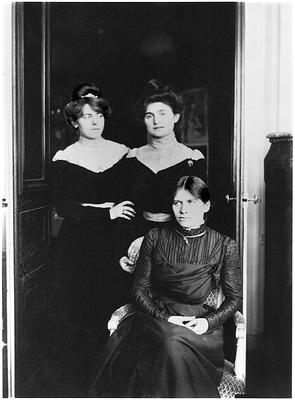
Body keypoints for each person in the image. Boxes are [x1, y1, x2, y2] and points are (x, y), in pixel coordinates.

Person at [89, 176, 242, 398]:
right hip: (154, 318)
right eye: (177, 203)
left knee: (173, 343)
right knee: (168, 341)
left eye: (191, 202)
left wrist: (207, 322)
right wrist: (167, 318)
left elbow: (234, 298)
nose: (183, 210)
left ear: (206, 205)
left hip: (198, 326)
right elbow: (139, 291)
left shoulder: (225, 244)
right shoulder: (155, 236)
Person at [49, 82, 135, 395]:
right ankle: (82, 385)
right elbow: (64, 206)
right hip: (77, 247)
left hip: (113, 244)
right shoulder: (64, 158)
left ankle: (114, 383)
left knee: (113, 308)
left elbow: (127, 200)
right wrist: (104, 211)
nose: (94, 121)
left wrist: (95, 208)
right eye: (86, 116)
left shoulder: (122, 154)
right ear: (74, 121)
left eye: (98, 115)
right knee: (79, 311)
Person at [118, 79, 207, 276]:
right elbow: (127, 207)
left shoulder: (192, 159)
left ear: (176, 117)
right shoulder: (133, 157)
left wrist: (150, 240)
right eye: (150, 115)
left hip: (179, 241)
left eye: (162, 114)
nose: (156, 121)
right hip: (136, 241)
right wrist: (131, 243)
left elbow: (195, 214)